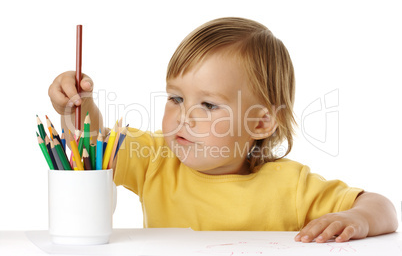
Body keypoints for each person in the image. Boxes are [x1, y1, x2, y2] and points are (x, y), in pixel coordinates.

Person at [48, 17, 398, 243]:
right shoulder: (156, 159)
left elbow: (382, 207)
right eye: (176, 97)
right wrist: (76, 106)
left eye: (210, 105)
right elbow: (90, 143)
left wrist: (356, 219)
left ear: (260, 122)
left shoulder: (290, 186)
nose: (185, 116)